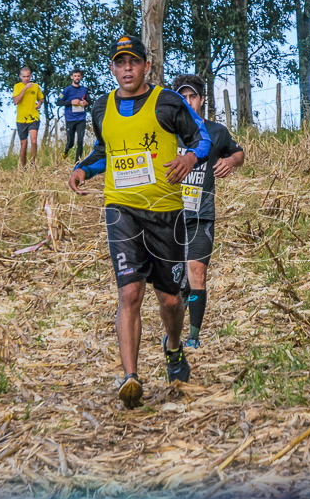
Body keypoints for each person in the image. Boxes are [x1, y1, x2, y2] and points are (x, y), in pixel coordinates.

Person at [68, 36, 211, 409]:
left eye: (134, 62)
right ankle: (130, 376)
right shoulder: (101, 108)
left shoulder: (168, 102)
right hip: (122, 210)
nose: (127, 68)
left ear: (147, 66)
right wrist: (83, 169)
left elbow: (202, 138)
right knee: (130, 292)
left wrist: (191, 159)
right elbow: (104, 151)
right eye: (120, 62)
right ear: (113, 68)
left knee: (169, 301)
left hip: (167, 214)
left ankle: (174, 347)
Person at [171, 74, 245, 348]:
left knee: (196, 271)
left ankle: (193, 337)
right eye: (183, 97)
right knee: (177, 282)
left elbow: (239, 153)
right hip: (170, 217)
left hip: (201, 215)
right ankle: (175, 332)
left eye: (193, 96)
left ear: (202, 100)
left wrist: (230, 161)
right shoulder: (167, 130)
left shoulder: (216, 132)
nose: (188, 101)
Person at [12, 66, 44, 167]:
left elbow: (41, 98)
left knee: (34, 140)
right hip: (21, 119)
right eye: (24, 76)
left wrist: (39, 104)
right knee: (24, 144)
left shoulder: (36, 86)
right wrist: (25, 88)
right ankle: (23, 166)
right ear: (20, 77)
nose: (26, 78)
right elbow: (16, 101)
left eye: (28, 76)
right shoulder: (17, 86)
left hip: (34, 117)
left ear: (31, 76)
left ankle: (33, 163)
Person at [56, 70, 90, 160]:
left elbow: (88, 101)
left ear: (81, 77)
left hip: (81, 118)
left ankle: (77, 162)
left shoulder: (84, 90)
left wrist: (85, 103)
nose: (77, 78)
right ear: (72, 77)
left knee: (80, 141)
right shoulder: (66, 90)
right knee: (70, 142)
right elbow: (58, 102)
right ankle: (65, 152)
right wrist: (71, 102)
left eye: (78, 76)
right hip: (70, 119)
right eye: (75, 76)